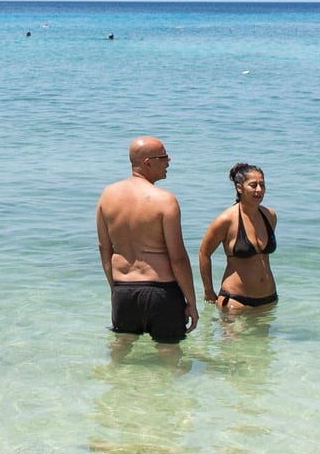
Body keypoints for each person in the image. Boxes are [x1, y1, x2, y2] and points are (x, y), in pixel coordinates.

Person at [96, 137, 198, 346]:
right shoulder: (165, 200)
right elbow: (178, 258)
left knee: (120, 355)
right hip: (161, 293)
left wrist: (115, 290)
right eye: (164, 156)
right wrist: (192, 302)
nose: (169, 161)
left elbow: (104, 249)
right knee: (170, 360)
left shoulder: (107, 196)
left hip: (123, 291)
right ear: (148, 163)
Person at [199, 163, 278, 313]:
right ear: (239, 188)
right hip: (236, 301)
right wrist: (208, 290)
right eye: (253, 185)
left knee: (264, 338)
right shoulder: (226, 220)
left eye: (262, 185)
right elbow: (204, 253)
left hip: (269, 300)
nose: (259, 190)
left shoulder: (270, 216)